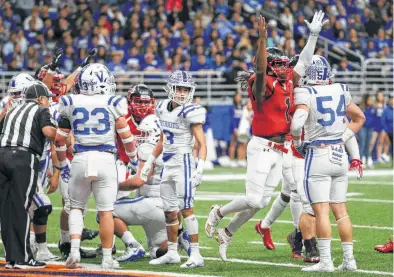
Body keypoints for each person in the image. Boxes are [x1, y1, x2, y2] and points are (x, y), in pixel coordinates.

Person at [205, 11, 327, 261]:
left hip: (281, 150)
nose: (284, 67)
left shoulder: (287, 82)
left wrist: (313, 36)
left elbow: (303, 62)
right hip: (261, 146)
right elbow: (260, 69)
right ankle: (219, 212)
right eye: (279, 64)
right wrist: (262, 38)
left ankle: (227, 233)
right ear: (269, 65)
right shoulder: (260, 82)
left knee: (259, 203)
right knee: (252, 198)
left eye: (284, 63)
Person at [54, 63, 137, 269]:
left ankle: (74, 252)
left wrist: (63, 163)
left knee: (76, 208)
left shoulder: (70, 101)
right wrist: (134, 157)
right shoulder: (113, 102)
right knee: (105, 211)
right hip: (105, 158)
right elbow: (126, 136)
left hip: (80, 158)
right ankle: (107, 257)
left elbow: (59, 140)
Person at [291, 55, 365, 272]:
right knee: (341, 210)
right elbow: (359, 117)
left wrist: (297, 142)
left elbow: (296, 125)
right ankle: (349, 260)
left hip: (318, 154)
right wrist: (342, 139)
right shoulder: (339, 89)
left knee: (321, 211)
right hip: (339, 154)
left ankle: (326, 261)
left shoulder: (305, 92)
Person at [140, 70, 207, 268]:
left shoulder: (191, 111)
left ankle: (195, 254)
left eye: (186, 89)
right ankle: (172, 252)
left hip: (184, 163)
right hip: (167, 164)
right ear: (171, 88)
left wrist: (200, 168)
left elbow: (202, 144)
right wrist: (150, 161)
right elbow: (162, 138)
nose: (182, 93)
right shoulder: (162, 107)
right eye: (179, 88)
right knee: (169, 212)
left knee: (186, 209)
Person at [0, 82, 57, 269]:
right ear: (40, 98)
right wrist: (63, 133)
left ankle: (12, 258)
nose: (49, 101)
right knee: (21, 208)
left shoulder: (12, 110)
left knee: (7, 210)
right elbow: (49, 132)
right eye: (47, 98)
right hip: (23, 158)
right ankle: (24, 258)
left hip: (2, 156)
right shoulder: (41, 110)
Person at [358, 94, 376, 168]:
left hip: (370, 128)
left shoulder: (373, 108)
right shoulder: (361, 108)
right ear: (365, 100)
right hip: (362, 128)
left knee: (368, 145)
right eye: (369, 99)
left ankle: (368, 160)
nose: (371, 101)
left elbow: (375, 119)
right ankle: (360, 161)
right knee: (362, 144)